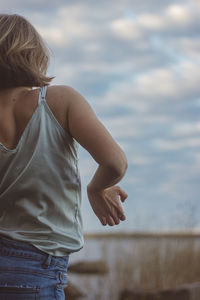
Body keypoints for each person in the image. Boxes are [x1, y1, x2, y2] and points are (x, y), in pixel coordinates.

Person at [0, 13, 128, 299]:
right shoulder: (59, 100)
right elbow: (115, 162)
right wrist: (97, 188)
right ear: (31, 54)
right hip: (37, 267)